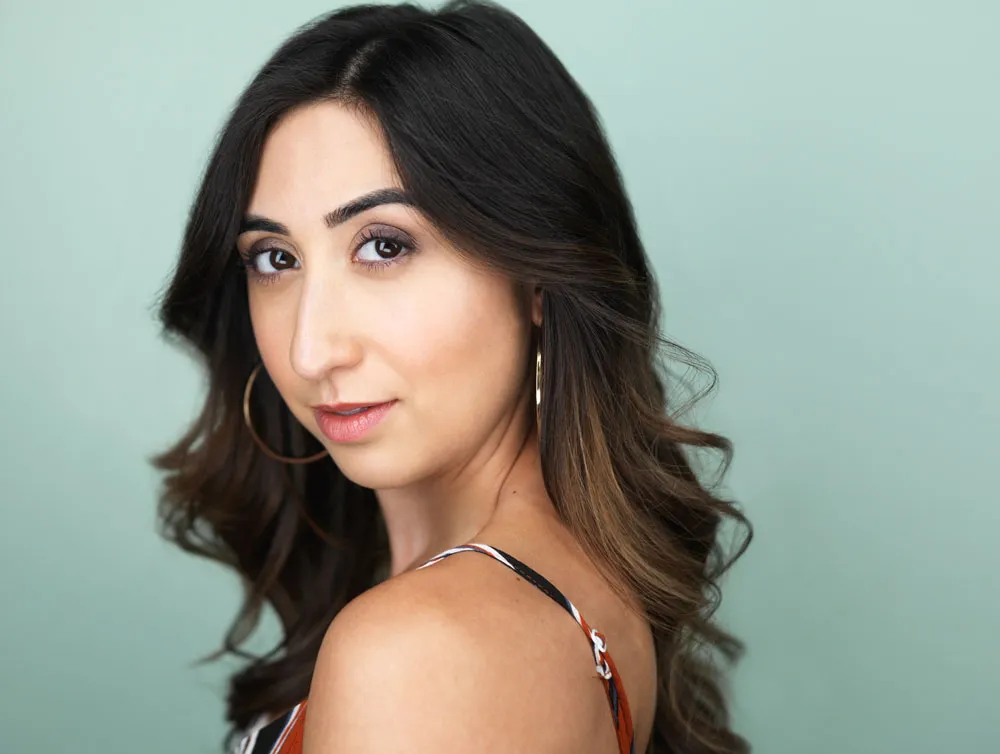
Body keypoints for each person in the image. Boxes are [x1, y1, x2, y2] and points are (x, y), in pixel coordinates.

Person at [151, 1, 752, 752]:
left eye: (383, 246)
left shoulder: (423, 648)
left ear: (537, 278)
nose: (310, 351)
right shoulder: (561, 584)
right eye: (276, 258)